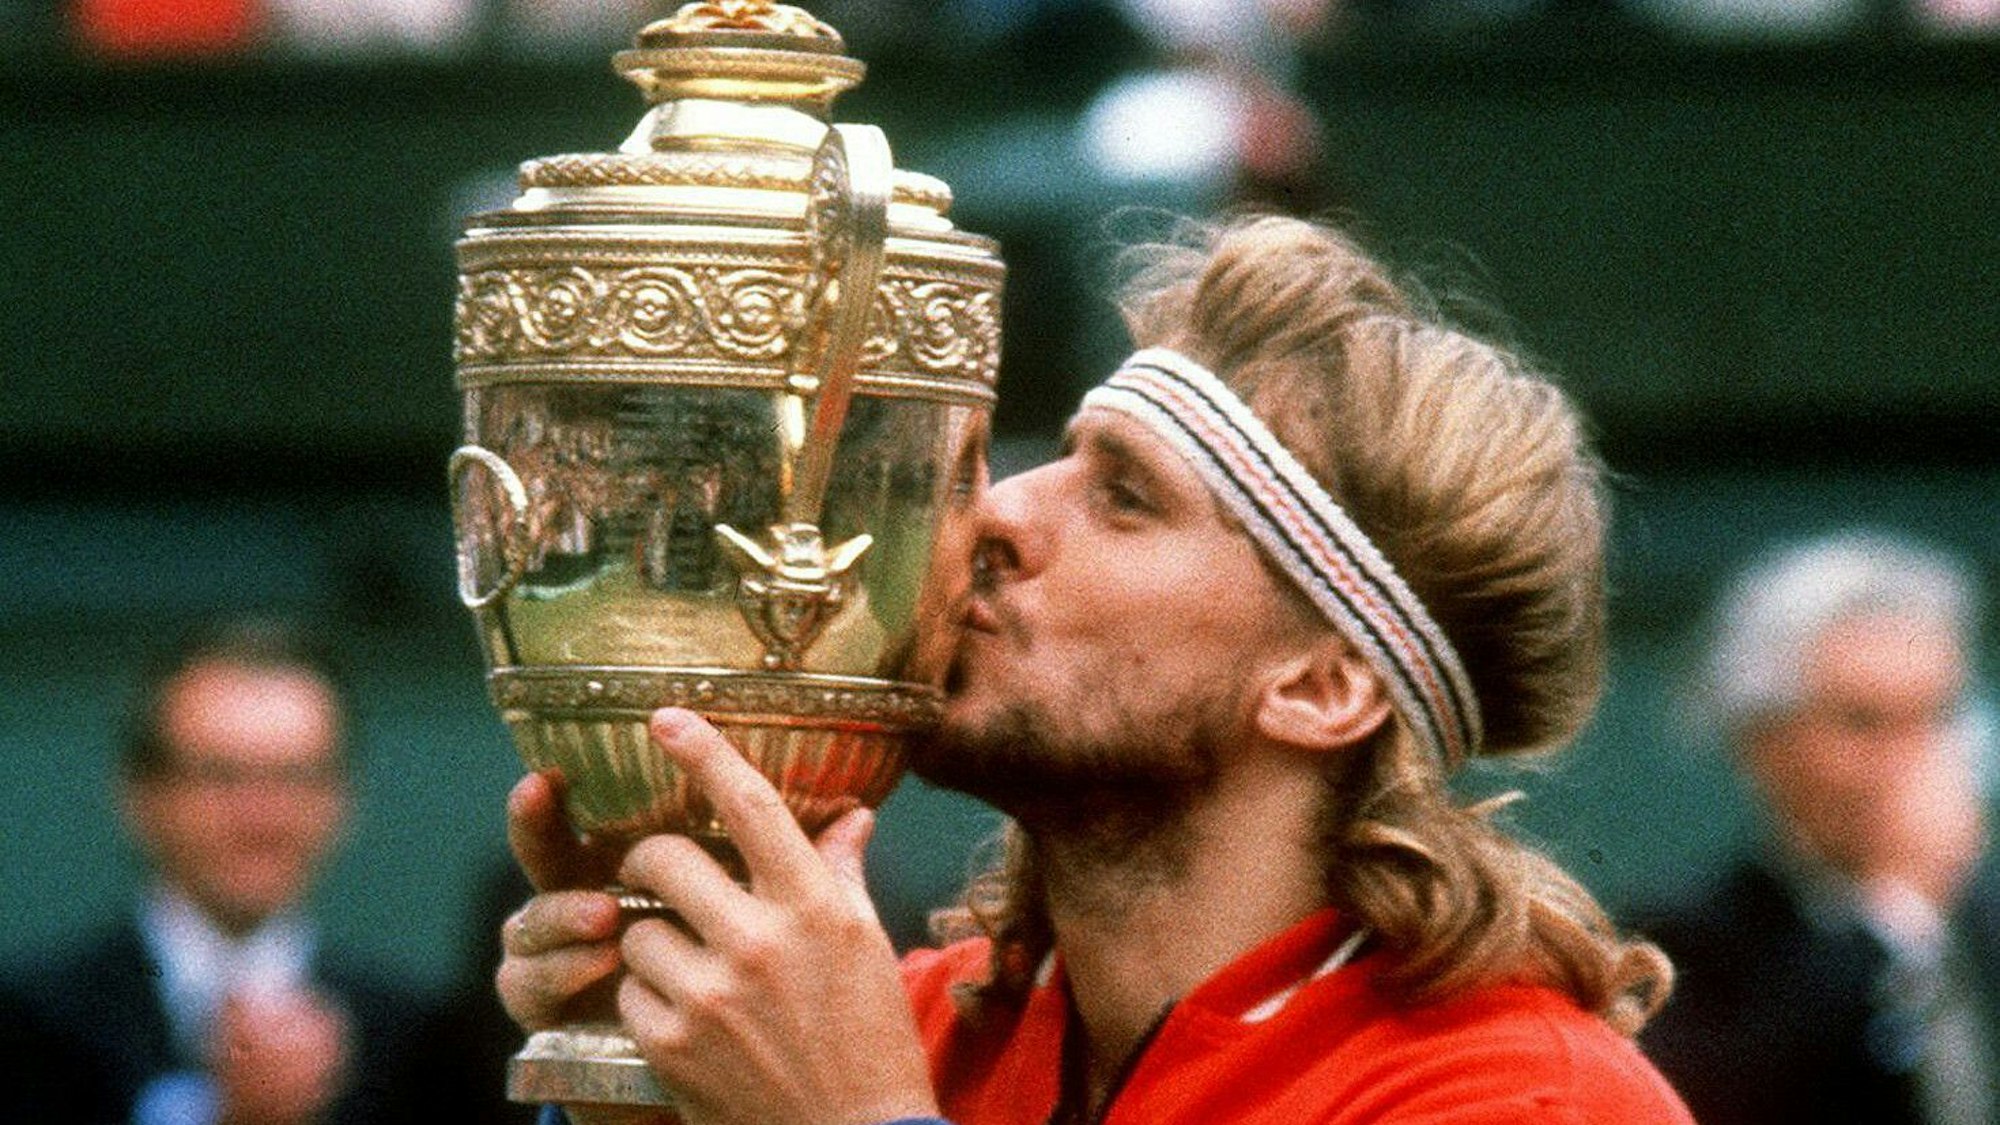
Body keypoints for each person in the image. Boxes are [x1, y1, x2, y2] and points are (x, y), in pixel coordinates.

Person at [494, 214, 1695, 1125]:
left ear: (1320, 687)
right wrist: (630, 1077)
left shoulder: (1526, 1098)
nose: (1000, 511)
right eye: (1056, 457)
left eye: (1124, 497)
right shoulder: (884, 1025)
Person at [0, 616, 431, 1125]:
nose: (260, 815)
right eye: (220, 776)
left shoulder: (416, 1041)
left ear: (342, 802)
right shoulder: (29, 1024)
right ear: (140, 795)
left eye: (295, 777)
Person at [1640, 531, 2000, 1125]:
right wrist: (1892, 916)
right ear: (1764, 742)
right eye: (1863, 723)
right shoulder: (1682, 949)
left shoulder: (1984, 924)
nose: (1908, 759)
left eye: (1935, 717)